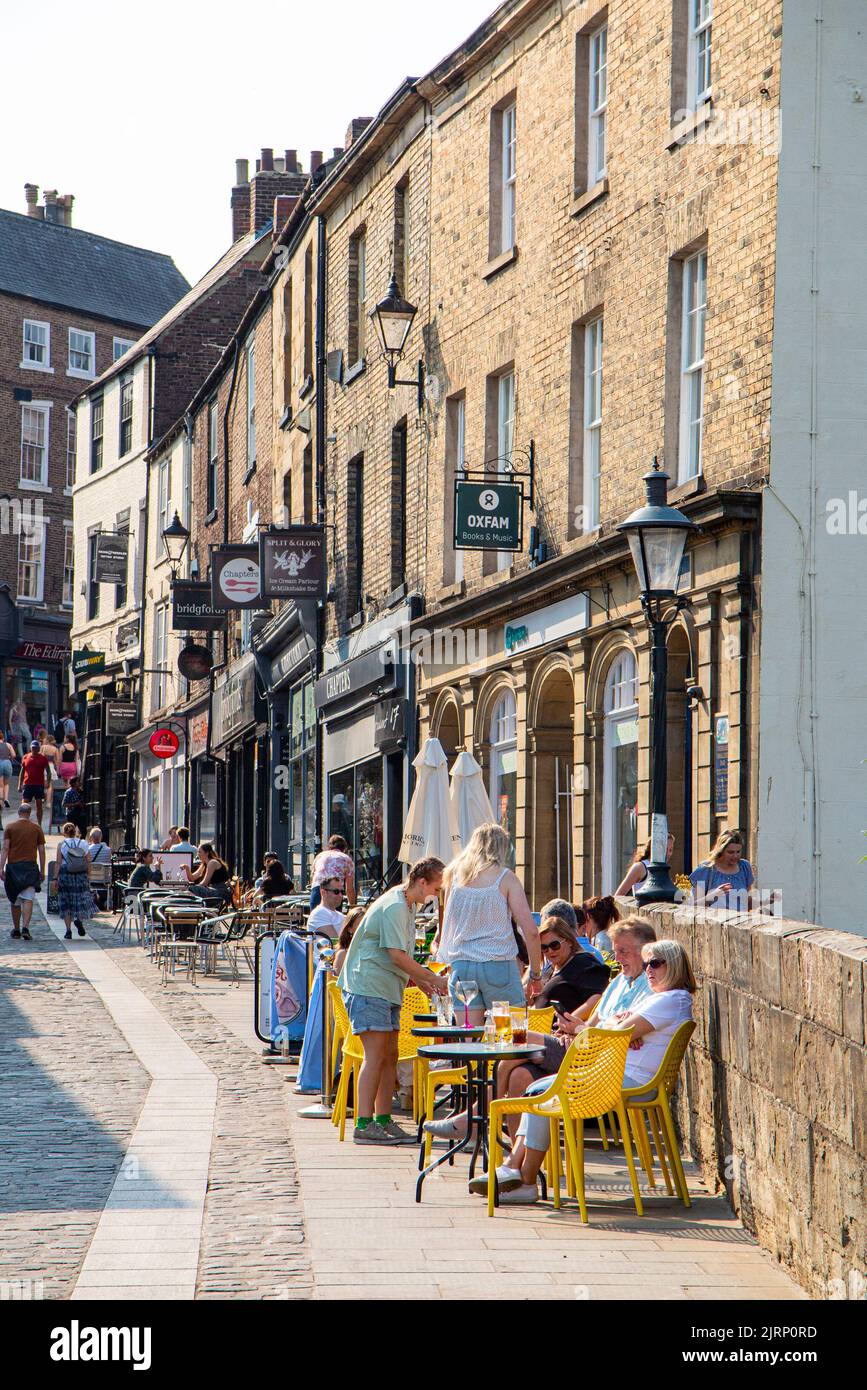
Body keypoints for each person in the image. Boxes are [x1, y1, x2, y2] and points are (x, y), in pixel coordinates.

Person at [485, 936, 695, 1205]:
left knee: (545, 1089)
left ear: (675, 965)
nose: (649, 970)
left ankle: (523, 1177)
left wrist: (614, 1028)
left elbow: (618, 1032)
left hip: (626, 1080)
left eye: (655, 963)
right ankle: (518, 1171)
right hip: (615, 1073)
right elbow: (617, 1028)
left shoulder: (670, 999)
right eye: (647, 964)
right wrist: (617, 1026)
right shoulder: (663, 999)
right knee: (540, 1087)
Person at [485, 916, 657, 1158]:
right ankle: (517, 1159)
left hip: (593, 1062)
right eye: (544, 948)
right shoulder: (620, 981)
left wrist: (585, 1029)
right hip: (580, 1046)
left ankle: (476, 1118)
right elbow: (602, 1023)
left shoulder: (647, 985)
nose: (616, 958)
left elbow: (624, 1028)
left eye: (623, 952)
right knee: (518, 1074)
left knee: (516, 1040)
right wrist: (579, 1027)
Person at [424, 824, 543, 1143]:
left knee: (473, 1047)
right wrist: (535, 973)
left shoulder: (454, 879)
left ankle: (474, 1117)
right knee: (513, 1043)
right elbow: (530, 931)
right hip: (500, 971)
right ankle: (506, 1122)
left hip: (463, 972)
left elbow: (445, 927)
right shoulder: (504, 878)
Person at [339, 856, 447, 1146]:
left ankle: (383, 1119)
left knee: (390, 1056)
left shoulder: (405, 904)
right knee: (376, 1056)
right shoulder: (397, 906)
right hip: (369, 986)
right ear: (422, 882)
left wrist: (423, 981)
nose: (437, 896)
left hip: (384, 987)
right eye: (436, 889)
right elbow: (396, 955)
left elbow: (400, 957)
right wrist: (433, 979)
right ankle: (364, 1123)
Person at [689, 829, 768, 911]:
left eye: (738, 851)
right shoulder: (706, 869)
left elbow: (745, 902)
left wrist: (766, 901)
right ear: (721, 850)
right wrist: (713, 895)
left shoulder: (744, 867)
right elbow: (693, 906)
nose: (735, 856)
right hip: (714, 921)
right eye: (730, 852)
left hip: (740, 922)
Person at [0, 802, 46, 941]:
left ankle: (16, 929)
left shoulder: (10, 827)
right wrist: (42, 869)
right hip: (30, 867)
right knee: (28, 899)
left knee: (15, 899)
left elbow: (6, 848)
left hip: (14, 867)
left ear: (19, 813)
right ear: (30, 813)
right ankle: (25, 927)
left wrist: (1, 867)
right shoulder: (36, 828)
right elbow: (42, 850)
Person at [54, 821, 93, 940]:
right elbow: (88, 860)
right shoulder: (83, 843)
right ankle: (79, 920)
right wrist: (88, 875)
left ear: (64, 832)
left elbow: (58, 862)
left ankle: (68, 930)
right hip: (80, 874)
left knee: (66, 901)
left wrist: (55, 878)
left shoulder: (62, 845)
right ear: (75, 831)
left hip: (66, 873)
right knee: (79, 899)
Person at [540, 898, 605, 964]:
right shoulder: (595, 954)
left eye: (554, 945)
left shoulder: (584, 960)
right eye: (543, 947)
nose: (549, 951)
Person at [615, 833, 676, 898]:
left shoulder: (663, 870)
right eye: (665, 849)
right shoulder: (640, 867)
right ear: (654, 847)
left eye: (670, 850)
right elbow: (618, 896)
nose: (668, 853)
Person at [309, 834, 356, 909]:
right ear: (344, 848)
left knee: (316, 918)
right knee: (334, 918)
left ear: (329, 846)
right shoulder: (346, 859)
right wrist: (352, 906)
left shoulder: (319, 856)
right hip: (334, 891)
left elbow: (312, 877)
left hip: (317, 890)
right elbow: (349, 888)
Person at [18, 739, 52, 828]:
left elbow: (48, 771)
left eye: (36, 748)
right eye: (33, 748)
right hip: (27, 784)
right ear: (30, 748)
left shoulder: (43, 758)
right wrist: (19, 784)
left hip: (39, 784)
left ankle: (39, 824)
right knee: (24, 804)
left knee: (39, 804)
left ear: (38, 748)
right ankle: (23, 822)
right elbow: (22, 771)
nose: (34, 749)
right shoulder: (26, 757)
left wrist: (48, 781)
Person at [332, 906, 365, 975]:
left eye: (366, 924)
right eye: (360, 925)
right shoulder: (342, 954)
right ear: (349, 929)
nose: (365, 928)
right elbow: (336, 984)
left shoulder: (374, 950)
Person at [87, 827, 112, 909]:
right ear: (101, 837)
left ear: (91, 838)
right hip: (105, 879)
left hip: (91, 879)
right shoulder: (108, 850)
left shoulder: (88, 850)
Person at [0, 730, 16, 808]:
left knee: (0, 785)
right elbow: (14, 755)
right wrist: (9, 757)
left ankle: (0, 801)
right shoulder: (8, 745)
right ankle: (6, 799)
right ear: (3, 737)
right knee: (6, 784)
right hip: (7, 763)